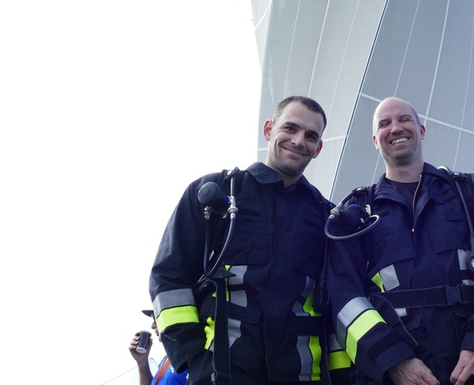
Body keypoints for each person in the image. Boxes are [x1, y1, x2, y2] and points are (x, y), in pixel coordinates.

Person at [326, 97, 474, 385]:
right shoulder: (356, 215)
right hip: (400, 377)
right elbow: (343, 299)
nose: (396, 128)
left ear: (421, 130)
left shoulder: (472, 193)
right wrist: (394, 362)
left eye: (405, 119)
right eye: (385, 124)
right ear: (375, 140)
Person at [149, 96, 348, 385]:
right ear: (269, 129)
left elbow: (336, 302)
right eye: (289, 128)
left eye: (310, 136)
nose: (298, 140)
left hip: (302, 376)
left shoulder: (328, 218)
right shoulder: (214, 193)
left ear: (318, 149)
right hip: (222, 371)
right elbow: (169, 276)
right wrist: (191, 354)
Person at [130, 309, 188, 385]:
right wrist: (142, 361)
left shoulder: (191, 353)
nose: (152, 326)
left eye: (156, 318)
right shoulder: (167, 359)